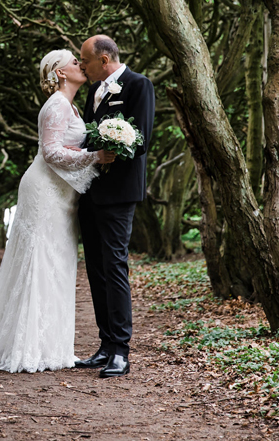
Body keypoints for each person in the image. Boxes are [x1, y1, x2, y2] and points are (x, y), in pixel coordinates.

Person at [0, 50, 114, 373]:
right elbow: (51, 152)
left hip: (62, 195)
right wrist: (94, 156)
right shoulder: (55, 105)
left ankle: (49, 345)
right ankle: (26, 347)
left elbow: (67, 146)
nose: (80, 64)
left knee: (58, 262)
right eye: (73, 62)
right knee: (39, 261)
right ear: (59, 73)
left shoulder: (69, 105)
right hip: (44, 191)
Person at [75, 35, 155, 378]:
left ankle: (121, 350)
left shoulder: (139, 85)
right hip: (90, 192)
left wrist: (114, 142)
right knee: (95, 269)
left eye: (85, 61)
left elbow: (141, 140)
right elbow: (90, 136)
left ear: (104, 59)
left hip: (120, 193)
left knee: (115, 267)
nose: (81, 66)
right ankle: (105, 344)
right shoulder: (94, 91)